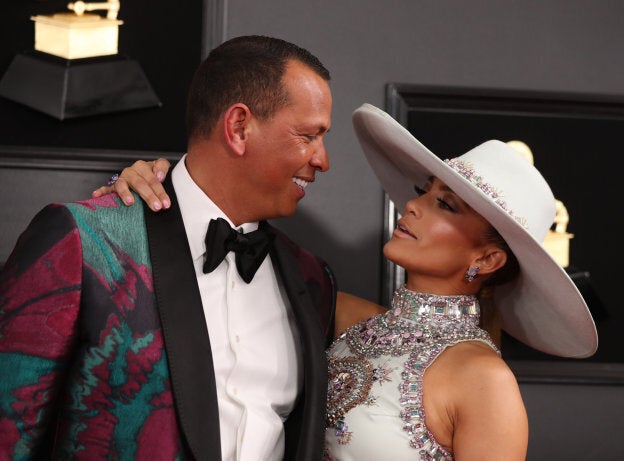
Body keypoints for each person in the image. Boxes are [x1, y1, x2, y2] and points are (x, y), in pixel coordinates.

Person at [105, 103, 598, 460]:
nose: (413, 205)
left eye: (445, 205)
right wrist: (154, 182)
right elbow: (221, 244)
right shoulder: (336, 311)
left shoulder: (484, 381)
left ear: (487, 258)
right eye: (424, 192)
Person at [0, 35, 337, 461]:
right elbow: (9, 433)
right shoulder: (83, 242)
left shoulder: (313, 280)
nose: (323, 160)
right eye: (309, 135)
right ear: (238, 127)